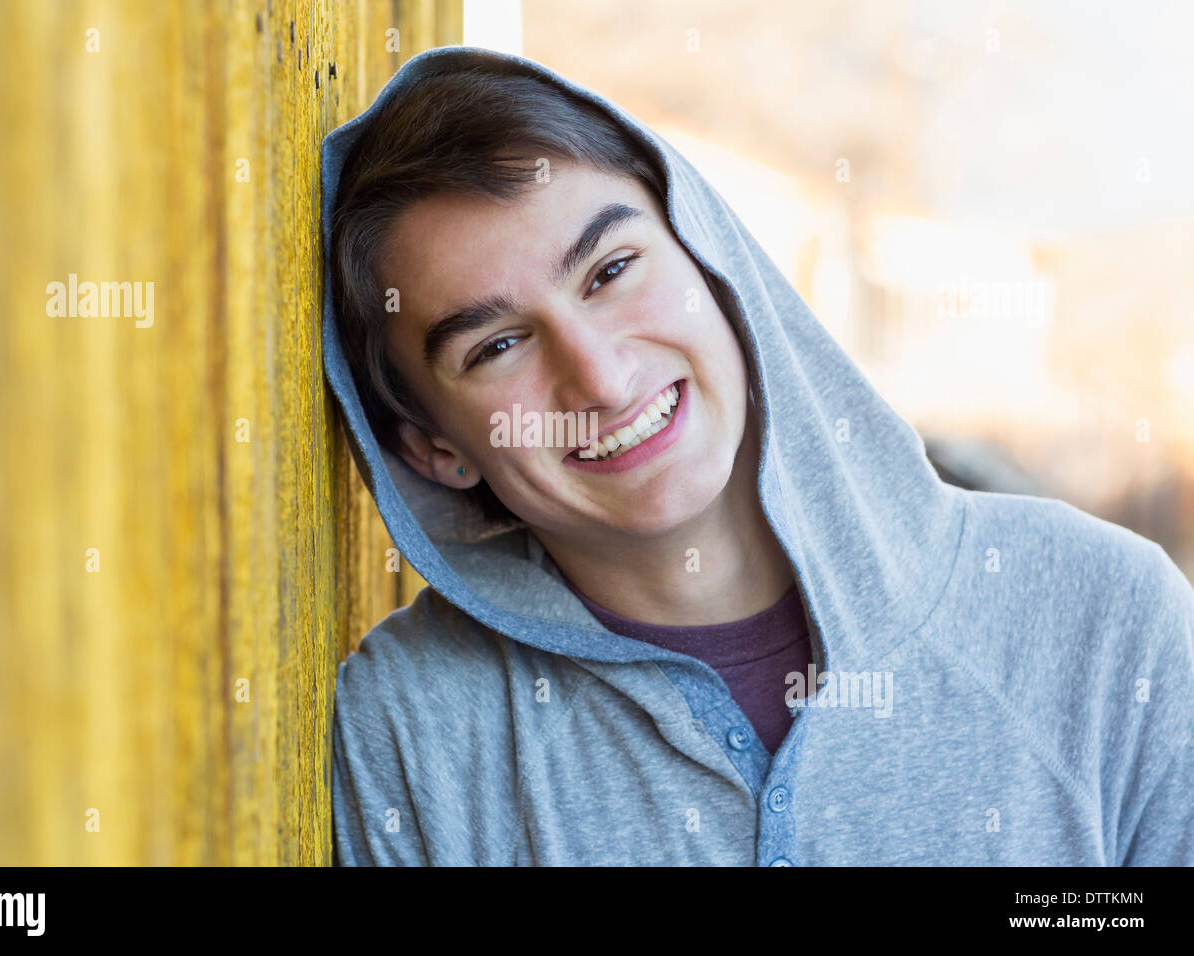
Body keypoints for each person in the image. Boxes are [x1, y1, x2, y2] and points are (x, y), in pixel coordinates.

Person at [321, 46, 1194, 865]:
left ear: (709, 255)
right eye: (499, 346)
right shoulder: (411, 727)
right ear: (436, 449)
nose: (602, 376)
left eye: (611, 270)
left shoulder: (1104, 618)